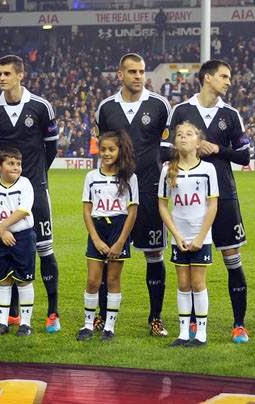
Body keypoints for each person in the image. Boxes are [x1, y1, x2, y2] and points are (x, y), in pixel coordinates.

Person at [161, 59, 251, 343]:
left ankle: (239, 324)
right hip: (192, 204)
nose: (229, 81)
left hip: (224, 195)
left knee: (232, 260)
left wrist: (218, 149)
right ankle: (190, 326)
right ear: (207, 78)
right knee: (187, 269)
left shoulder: (231, 114)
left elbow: (245, 156)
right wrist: (190, 148)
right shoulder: (182, 111)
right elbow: (164, 151)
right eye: (224, 76)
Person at [0, 55, 61, 333]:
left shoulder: (41, 106)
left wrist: (36, 176)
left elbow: (51, 148)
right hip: (4, 194)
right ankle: (12, 314)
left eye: (6, 73)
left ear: (20, 75)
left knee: (44, 250)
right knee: (9, 246)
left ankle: (53, 313)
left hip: (36, 190)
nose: (1, 78)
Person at [95, 53, 172, 337]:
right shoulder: (106, 109)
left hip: (150, 191)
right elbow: (105, 148)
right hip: (114, 195)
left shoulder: (160, 105)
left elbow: (168, 147)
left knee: (154, 254)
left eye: (141, 71)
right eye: (132, 71)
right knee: (110, 256)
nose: (138, 76)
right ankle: (102, 317)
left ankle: (155, 318)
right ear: (120, 75)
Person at [159, 122, 218, 348]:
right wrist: (176, 235)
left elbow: (212, 206)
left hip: (201, 236)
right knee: (183, 284)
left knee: (198, 282)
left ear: (198, 142)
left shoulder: (207, 170)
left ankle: (201, 334)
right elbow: (163, 205)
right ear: (175, 142)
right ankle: (184, 333)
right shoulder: (168, 170)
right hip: (179, 237)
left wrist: (201, 237)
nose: (183, 137)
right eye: (179, 134)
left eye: (189, 134)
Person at [78, 130, 138, 341]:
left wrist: (121, 241)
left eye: (111, 149)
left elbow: (132, 211)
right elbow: (87, 210)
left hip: (118, 229)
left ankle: (109, 327)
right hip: (98, 229)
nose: (106, 153)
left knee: (113, 279)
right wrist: (95, 238)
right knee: (93, 280)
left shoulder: (130, 177)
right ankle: (87, 325)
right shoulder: (91, 177)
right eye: (103, 149)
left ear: (120, 150)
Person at [0, 147, 38, 337]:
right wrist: (0, 232)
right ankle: (2, 322)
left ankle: (26, 323)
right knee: (3, 281)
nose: (16, 167)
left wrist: (1, 227)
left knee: (24, 281)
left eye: (18, 164)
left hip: (22, 237)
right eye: (10, 163)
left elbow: (23, 210)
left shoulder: (25, 183)